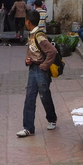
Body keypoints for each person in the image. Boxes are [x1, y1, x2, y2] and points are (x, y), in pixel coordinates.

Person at [16, 9, 58, 138]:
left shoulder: (39, 36)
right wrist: (28, 60)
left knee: (44, 96)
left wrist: (44, 66)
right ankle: (28, 128)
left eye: (25, 20)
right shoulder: (31, 34)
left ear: (28, 22)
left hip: (40, 70)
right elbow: (32, 50)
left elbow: (52, 51)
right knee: (30, 97)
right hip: (32, 68)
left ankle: (51, 119)